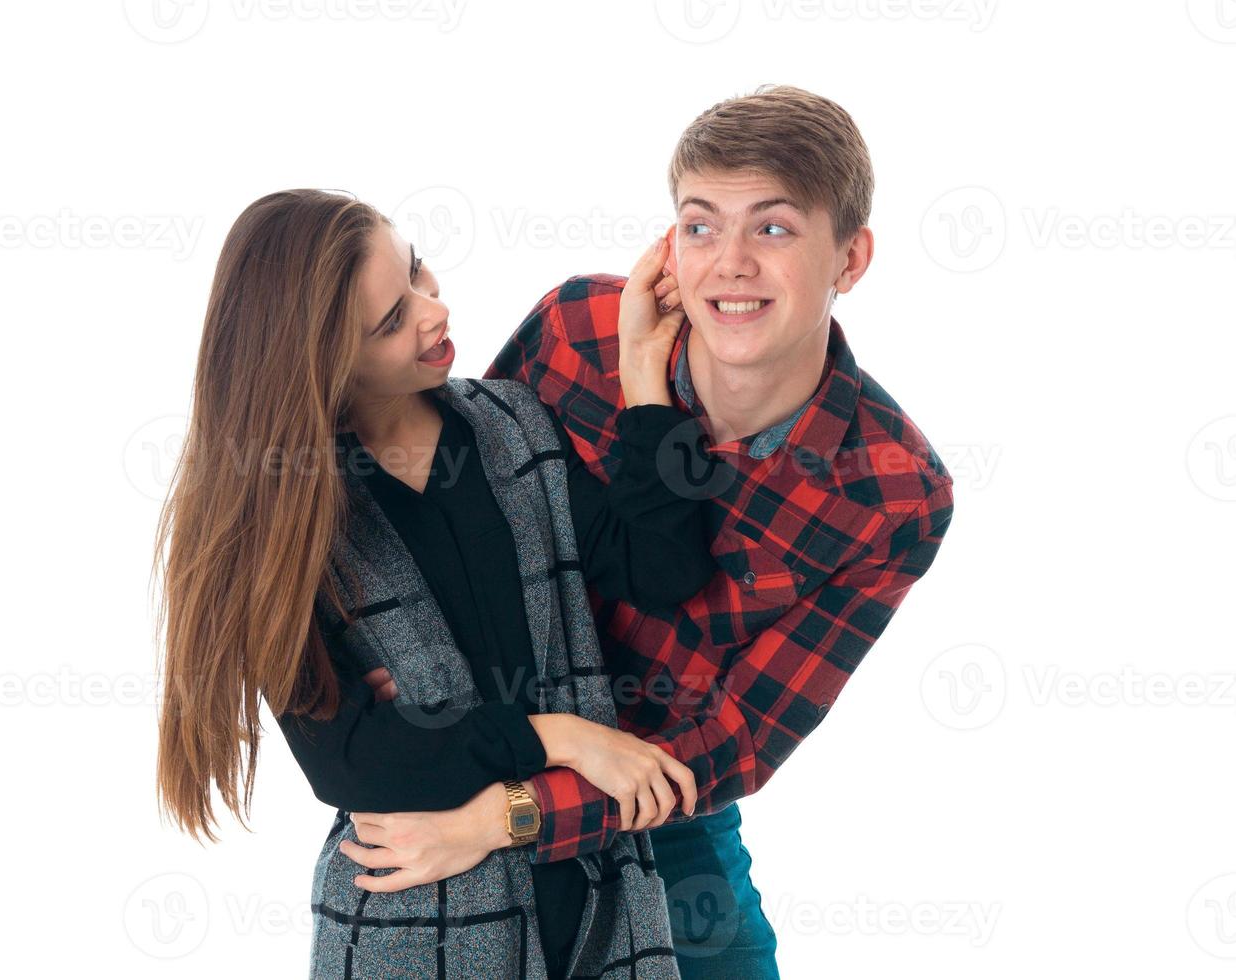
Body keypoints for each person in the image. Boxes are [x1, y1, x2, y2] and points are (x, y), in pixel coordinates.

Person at [341, 84, 957, 979]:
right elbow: (446, 497)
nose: (730, 264)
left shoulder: (895, 493)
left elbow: (742, 736)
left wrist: (511, 815)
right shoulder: (576, 330)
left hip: (661, 809)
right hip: (474, 763)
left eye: (775, 230)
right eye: (701, 226)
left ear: (850, 258)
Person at [154, 188, 719, 977]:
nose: (432, 312)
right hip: (420, 926)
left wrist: (641, 372)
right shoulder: (288, 523)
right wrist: (565, 736)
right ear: (319, 364)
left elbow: (661, 570)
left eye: (417, 271)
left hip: (603, 902)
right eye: (390, 322)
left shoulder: (512, 423)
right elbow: (352, 760)